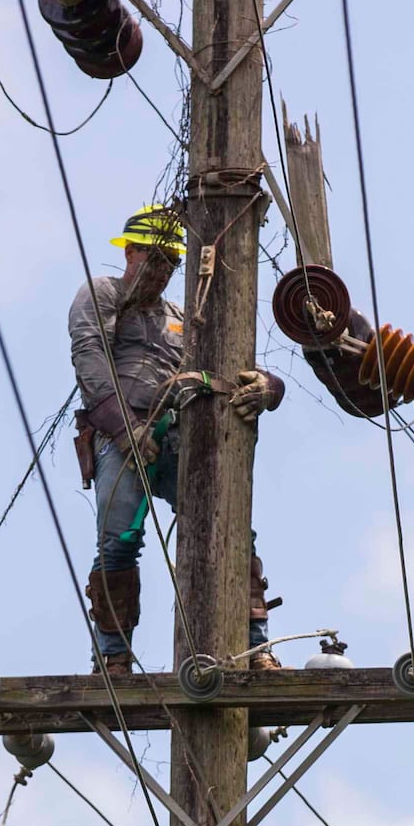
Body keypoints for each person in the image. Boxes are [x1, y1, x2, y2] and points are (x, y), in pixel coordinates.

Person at [69, 206, 287, 676]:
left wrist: (270, 387)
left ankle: (254, 647)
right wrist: (125, 429)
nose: (163, 270)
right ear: (130, 252)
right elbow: (89, 361)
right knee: (118, 539)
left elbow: (231, 364)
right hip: (120, 437)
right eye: (155, 258)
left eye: (171, 261)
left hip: (175, 436)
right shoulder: (102, 294)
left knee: (229, 528)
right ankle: (112, 657)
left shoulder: (182, 317)